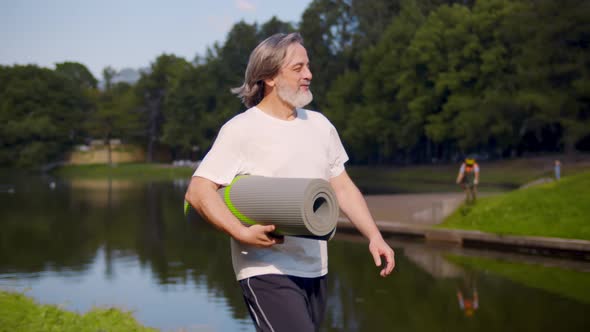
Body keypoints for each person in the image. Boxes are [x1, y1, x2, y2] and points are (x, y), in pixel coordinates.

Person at [184, 32, 395, 331]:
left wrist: (374, 236)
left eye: (308, 66)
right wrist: (240, 232)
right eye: (298, 68)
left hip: (314, 268)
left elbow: (343, 188)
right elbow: (198, 191)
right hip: (263, 268)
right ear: (269, 77)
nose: (308, 74)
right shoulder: (241, 130)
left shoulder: (321, 126)